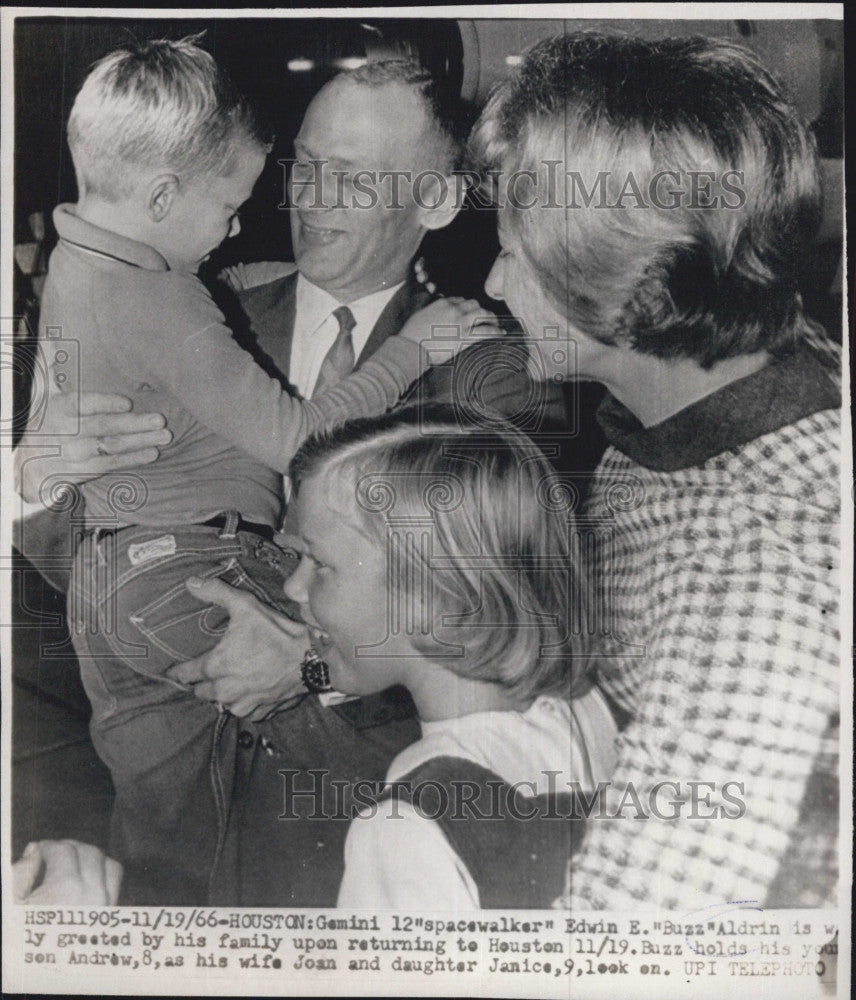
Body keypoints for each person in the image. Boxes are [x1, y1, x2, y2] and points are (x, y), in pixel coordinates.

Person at [168, 30, 841, 910]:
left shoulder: (758, 565)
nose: (489, 278)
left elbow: (627, 934)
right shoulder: (663, 432)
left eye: (517, 251)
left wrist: (311, 667)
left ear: (625, 271)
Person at [40, 36, 496, 903]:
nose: (310, 202)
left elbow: (492, 635)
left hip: (357, 875)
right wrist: (30, 475)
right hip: (158, 862)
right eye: (306, 166)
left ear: (434, 201)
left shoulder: (484, 371)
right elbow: (54, 565)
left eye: (354, 179)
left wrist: (309, 667)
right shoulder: (201, 296)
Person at [15, 410, 618, 910]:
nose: (295, 590)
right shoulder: (583, 707)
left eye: (319, 565)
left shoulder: (406, 827)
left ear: (436, 596)